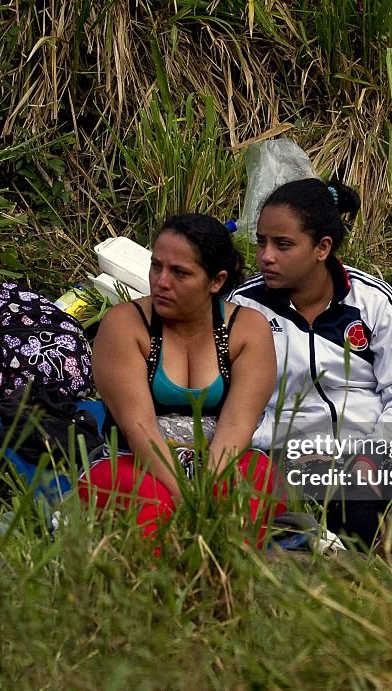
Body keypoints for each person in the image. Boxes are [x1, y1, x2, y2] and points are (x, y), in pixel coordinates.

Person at [230, 178, 392, 560]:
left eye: (283, 245)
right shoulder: (244, 308)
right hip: (295, 457)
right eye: (261, 242)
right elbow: (235, 403)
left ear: (323, 248)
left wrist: (372, 453)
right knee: (345, 497)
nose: (266, 256)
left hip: (375, 447)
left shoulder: (374, 301)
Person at [79, 214, 285, 545]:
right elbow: (140, 429)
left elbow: (236, 428)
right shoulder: (126, 325)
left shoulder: (247, 329)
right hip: (136, 462)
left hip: (219, 462)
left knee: (246, 492)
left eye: (180, 273)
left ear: (216, 281)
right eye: (156, 266)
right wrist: (187, 500)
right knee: (154, 508)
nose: (161, 281)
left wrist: (204, 492)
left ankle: (226, 583)